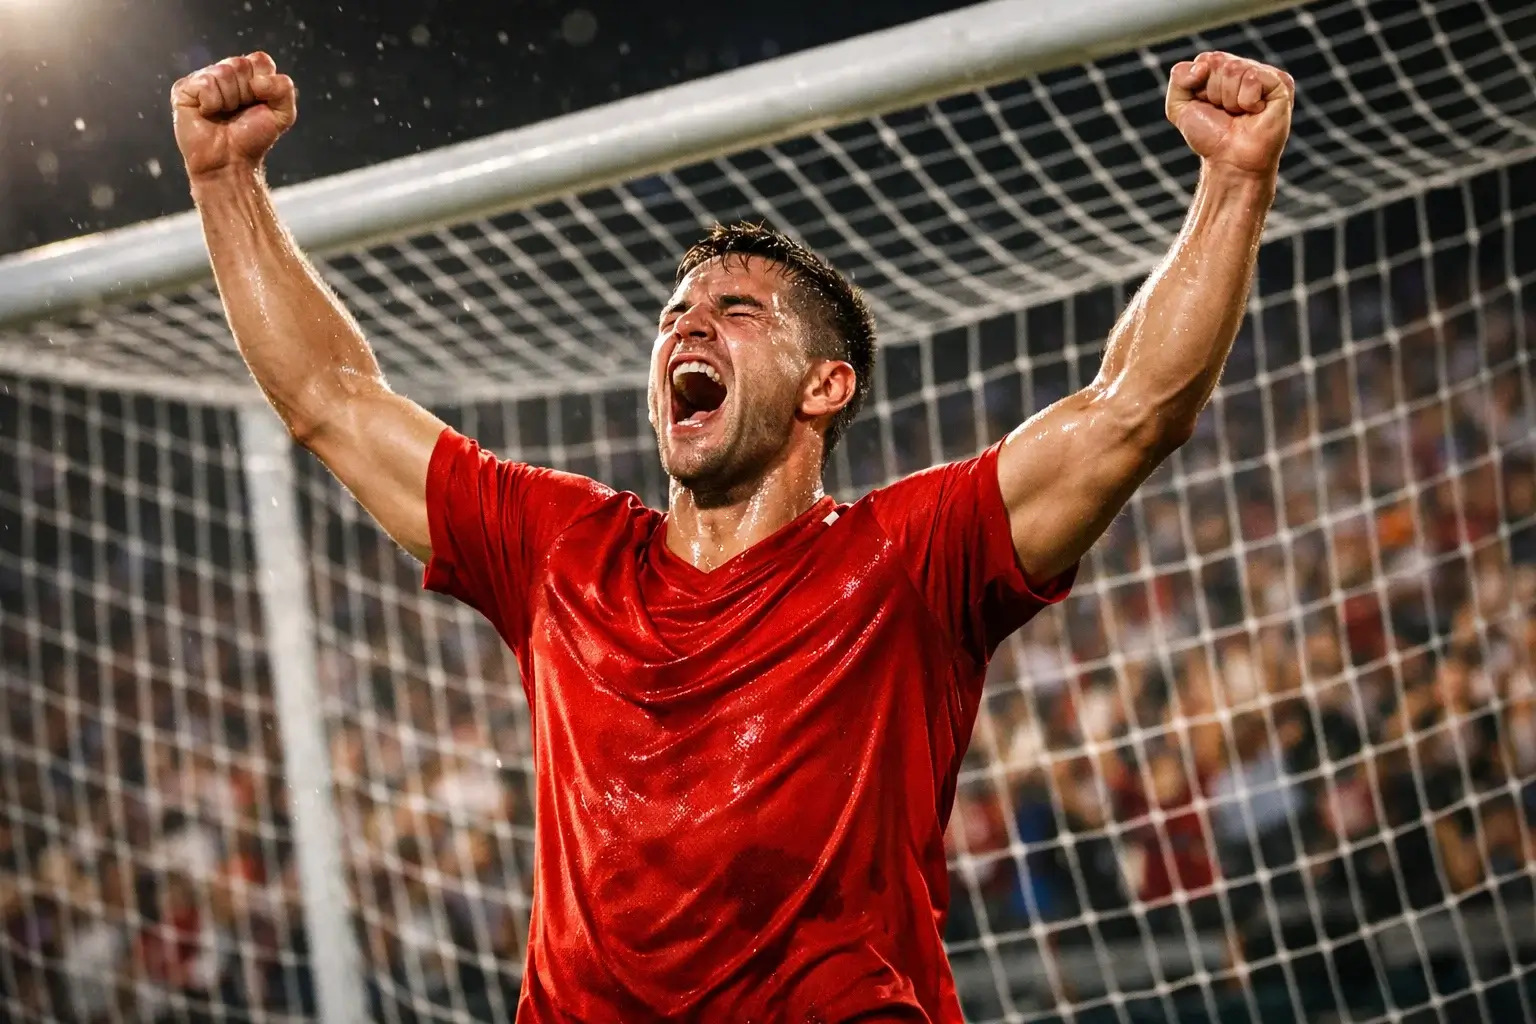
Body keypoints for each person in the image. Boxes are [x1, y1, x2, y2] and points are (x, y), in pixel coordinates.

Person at [171, 48, 1294, 1023]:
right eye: (672, 315)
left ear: (826, 386)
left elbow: (1132, 408)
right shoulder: (564, 549)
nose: (686, 327)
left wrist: (1234, 181)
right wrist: (226, 182)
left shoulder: (906, 559)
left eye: (734, 311)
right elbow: (332, 400)